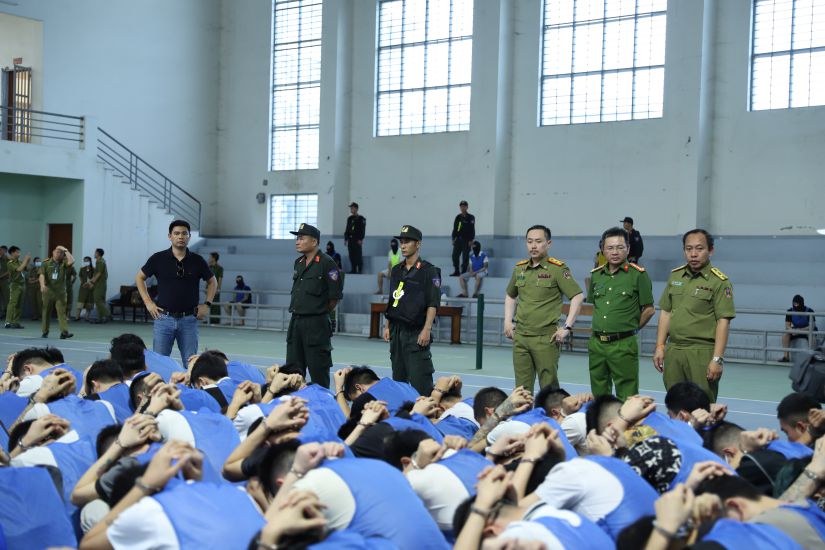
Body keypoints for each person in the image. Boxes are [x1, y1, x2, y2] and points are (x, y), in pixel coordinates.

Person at [653, 229, 735, 402]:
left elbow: (723, 322)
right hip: (674, 350)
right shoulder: (675, 276)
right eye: (689, 249)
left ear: (710, 251)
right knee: (675, 404)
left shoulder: (719, 282)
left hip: (701, 353)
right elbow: (666, 312)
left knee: (702, 407)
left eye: (699, 248)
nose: (693, 254)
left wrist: (717, 359)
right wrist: (660, 346)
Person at [504, 225, 584, 393]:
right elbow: (511, 295)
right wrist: (507, 321)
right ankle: (524, 419)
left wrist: (567, 327)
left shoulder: (557, 269)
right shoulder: (520, 269)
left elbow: (577, 296)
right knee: (521, 389)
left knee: (549, 388)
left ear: (548, 243)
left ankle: (550, 419)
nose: (533, 246)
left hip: (546, 338)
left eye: (538, 241)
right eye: (529, 241)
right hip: (521, 337)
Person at [587, 227, 655, 400]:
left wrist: (630, 329)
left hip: (623, 343)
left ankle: (628, 427)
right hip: (597, 344)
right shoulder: (596, 276)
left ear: (628, 249)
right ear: (603, 249)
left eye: (620, 247)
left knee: (627, 395)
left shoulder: (638, 275)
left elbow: (649, 309)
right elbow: (596, 306)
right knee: (599, 395)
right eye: (610, 248)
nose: (615, 252)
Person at [135, 219, 217, 363]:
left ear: (189, 237)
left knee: (191, 364)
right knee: (160, 363)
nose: (180, 237)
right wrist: (148, 302)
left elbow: (212, 281)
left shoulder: (197, 260)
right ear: (170, 236)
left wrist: (207, 304)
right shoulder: (158, 258)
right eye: (177, 233)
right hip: (163, 319)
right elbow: (139, 278)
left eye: (184, 233)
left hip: (189, 320)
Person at [383, 225, 441, 395]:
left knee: (420, 382)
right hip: (397, 331)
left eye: (407, 242)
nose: (403, 245)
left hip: (416, 331)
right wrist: (387, 325)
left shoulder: (429, 271)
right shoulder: (396, 270)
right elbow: (393, 299)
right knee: (398, 381)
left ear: (418, 244)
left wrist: (426, 330)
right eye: (401, 242)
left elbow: (433, 303)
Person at [287, 223, 344, 389]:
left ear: (314, 242)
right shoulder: (298, 262)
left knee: (318, 372)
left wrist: (318, 312)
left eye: (301, 238)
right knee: (293, 373)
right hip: (296, 322)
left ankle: (322, 407)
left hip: (316, 325)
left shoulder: (327, 263)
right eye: (297, 238)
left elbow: (334, 297)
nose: (297, 241)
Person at [39, 245, 75, 340]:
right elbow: (41, 275)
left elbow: (72, 261)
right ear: (53, 253)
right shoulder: (45, 263)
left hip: (61, 293)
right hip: (48, 292)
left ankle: (64, 332)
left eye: (61, 253)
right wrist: (42, 285)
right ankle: (45, 332)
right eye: (57, 252)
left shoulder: (64, 263)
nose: (59, 254)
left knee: (62, 313)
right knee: (46, 312)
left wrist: (66, 250)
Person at [780, 295, 817, 362]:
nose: (795, 306)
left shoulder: (809, 311)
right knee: (785, 335)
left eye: (797, 304)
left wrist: (800, 331)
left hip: (806, 329)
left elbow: (812, 326)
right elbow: (787, 325)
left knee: (812, 336)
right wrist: (792, 330)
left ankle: (812, 357)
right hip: (796, 330)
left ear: (801, 303)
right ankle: (786, 357)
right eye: (794, 304)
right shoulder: (790, 311)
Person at [4, 246, 30, 329]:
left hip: (22, 284)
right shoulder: (10, 263)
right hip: (15, 285)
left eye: (19, 252)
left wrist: (27, 261)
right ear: (12, 253)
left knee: (19, 304)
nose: (19, 254)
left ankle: (16, 322)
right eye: (17, 252)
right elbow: (19, 270)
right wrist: (26, 261)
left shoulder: (20, 261)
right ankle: (8, 322)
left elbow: (27, 269)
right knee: (12, 303)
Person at [450, 200, 475, 276]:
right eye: (461, 206)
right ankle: (456, 270)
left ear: (467, 207)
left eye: (464, 206)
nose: (462, 208)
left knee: (465, 256)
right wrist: (454, 238)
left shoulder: (471, 217)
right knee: (455, 255)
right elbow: (456, 228)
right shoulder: (458, 217)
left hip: (467, 240)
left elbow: (472, 229)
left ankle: (463, 271)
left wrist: (471, 240)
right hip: (458, 239)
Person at [87, 248, 111, 323]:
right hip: (101, 284)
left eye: (95, 252)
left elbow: (99, 273)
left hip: (99, 284)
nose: (94, 254)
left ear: (98, 253)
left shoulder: (100, 262)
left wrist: (92, 282)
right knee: (101, 301)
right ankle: (100, 319)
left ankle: (108, 315)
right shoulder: (100, 261)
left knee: (97, 301)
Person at [344, 202, 366, 274]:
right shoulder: (349, 218)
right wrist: (346, 238)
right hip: (350, 240)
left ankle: (359, 270)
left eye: (352, 208)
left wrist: (361, 239)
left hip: (357, 239)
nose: (351, 209)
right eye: (351, 208)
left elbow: (363, 230)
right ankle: (353, 269)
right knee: (351, 255)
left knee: (358, 255)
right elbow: (347, 229)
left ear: (356, 208)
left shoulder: (361, 218)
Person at [74, 256, 94, 321]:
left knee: (89, 303)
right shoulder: (82, 269)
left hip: (90, 288)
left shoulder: (94, 269)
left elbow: (95, 278)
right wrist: (83, 282)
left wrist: (90, 284)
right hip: (83, 288)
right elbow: (80, 276)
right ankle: (77, 317)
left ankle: (87, 317)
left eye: (87, 260)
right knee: (80, 302)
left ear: (90, 261)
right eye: (84, 261)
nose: (86, 262)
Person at [208, 251, 223, 324]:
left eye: (210, 257)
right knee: (209, 304)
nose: (209, 258)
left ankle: (216, 321)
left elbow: (220, 279)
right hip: (209, 289)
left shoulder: (219, 268)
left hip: (215, 289)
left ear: (214, 258)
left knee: (216, 305)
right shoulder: (209, 267)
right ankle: (210, 321)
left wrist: (218, 289)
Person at [26, 256, 42, 320]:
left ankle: (41, 315)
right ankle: (35, 315)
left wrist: (34, 280)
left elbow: (42, 277)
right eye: (37, 261)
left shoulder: (42, 269)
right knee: (33, 302)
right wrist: (34, 279)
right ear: (34, 262)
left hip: (39, 287)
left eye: (39, 261)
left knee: (40, 301)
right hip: (31, 288)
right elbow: (28, 278)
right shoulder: (31, 269)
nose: (38, 262)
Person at [0, 245, 8, 318]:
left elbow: (9, 271)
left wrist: (1, 276)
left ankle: (7, 313)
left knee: (6, 297)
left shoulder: (7, 259)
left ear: (5, 251)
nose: (0, 251)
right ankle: (1, 312)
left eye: (2, 250)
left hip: (4, 281)